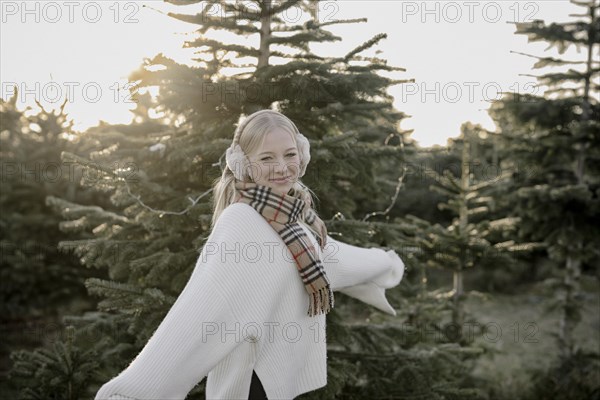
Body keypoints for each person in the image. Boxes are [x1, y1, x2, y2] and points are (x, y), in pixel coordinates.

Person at [94, 109, 405, 400]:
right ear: (244, 165)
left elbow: (329, 258)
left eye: (290, 154)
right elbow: (195, 314)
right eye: (267, 158)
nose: (283, 168)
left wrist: (385, 264)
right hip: (248, 386)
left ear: (303, 155)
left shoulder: (294, 218)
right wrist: (131, 391)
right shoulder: (240, 223)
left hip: (275, 383)